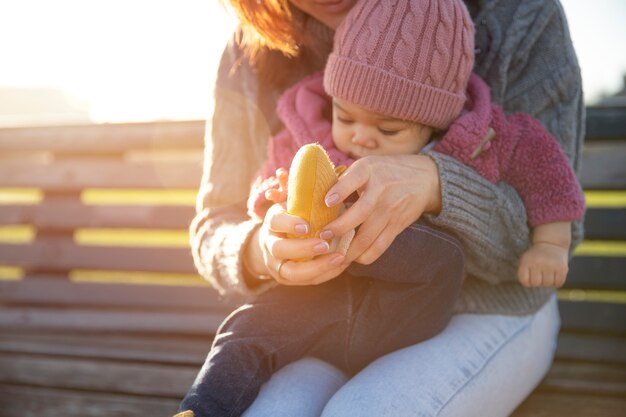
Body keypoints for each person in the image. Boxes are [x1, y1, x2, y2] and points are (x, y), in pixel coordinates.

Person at [183, 0, 585, 415]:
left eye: (389, 129)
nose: (361, 138)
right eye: (343, 116)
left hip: (487, 303)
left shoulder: (517, 16)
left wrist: (439, 184)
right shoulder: (253, 49)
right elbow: (219, 220)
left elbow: (552, 212)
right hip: (328, 311)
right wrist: (262, 245)